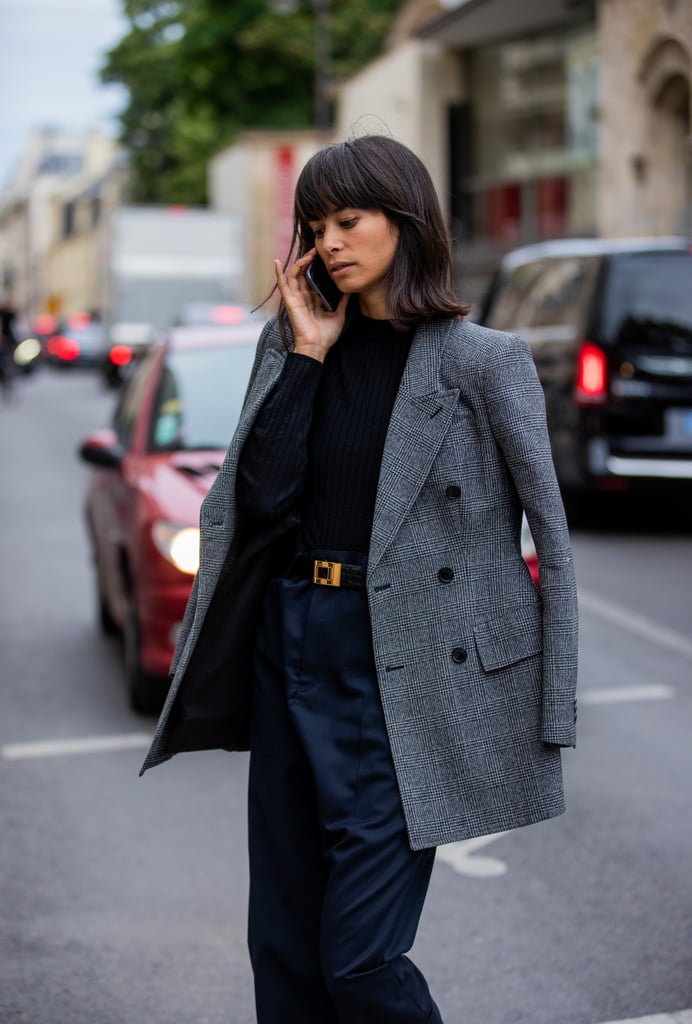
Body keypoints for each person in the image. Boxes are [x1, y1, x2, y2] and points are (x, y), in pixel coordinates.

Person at [141, 135, 578, 1023]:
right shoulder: (291, 344)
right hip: (292, 639)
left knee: (360, 960)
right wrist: (307, 352)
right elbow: (256, 502)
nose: (328, 242)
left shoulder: (481, 361)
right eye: (315, 225)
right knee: (285, 947)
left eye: (349, 220)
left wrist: (554, 700)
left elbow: (554, 539)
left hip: (407, 667)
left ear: (405, 222)